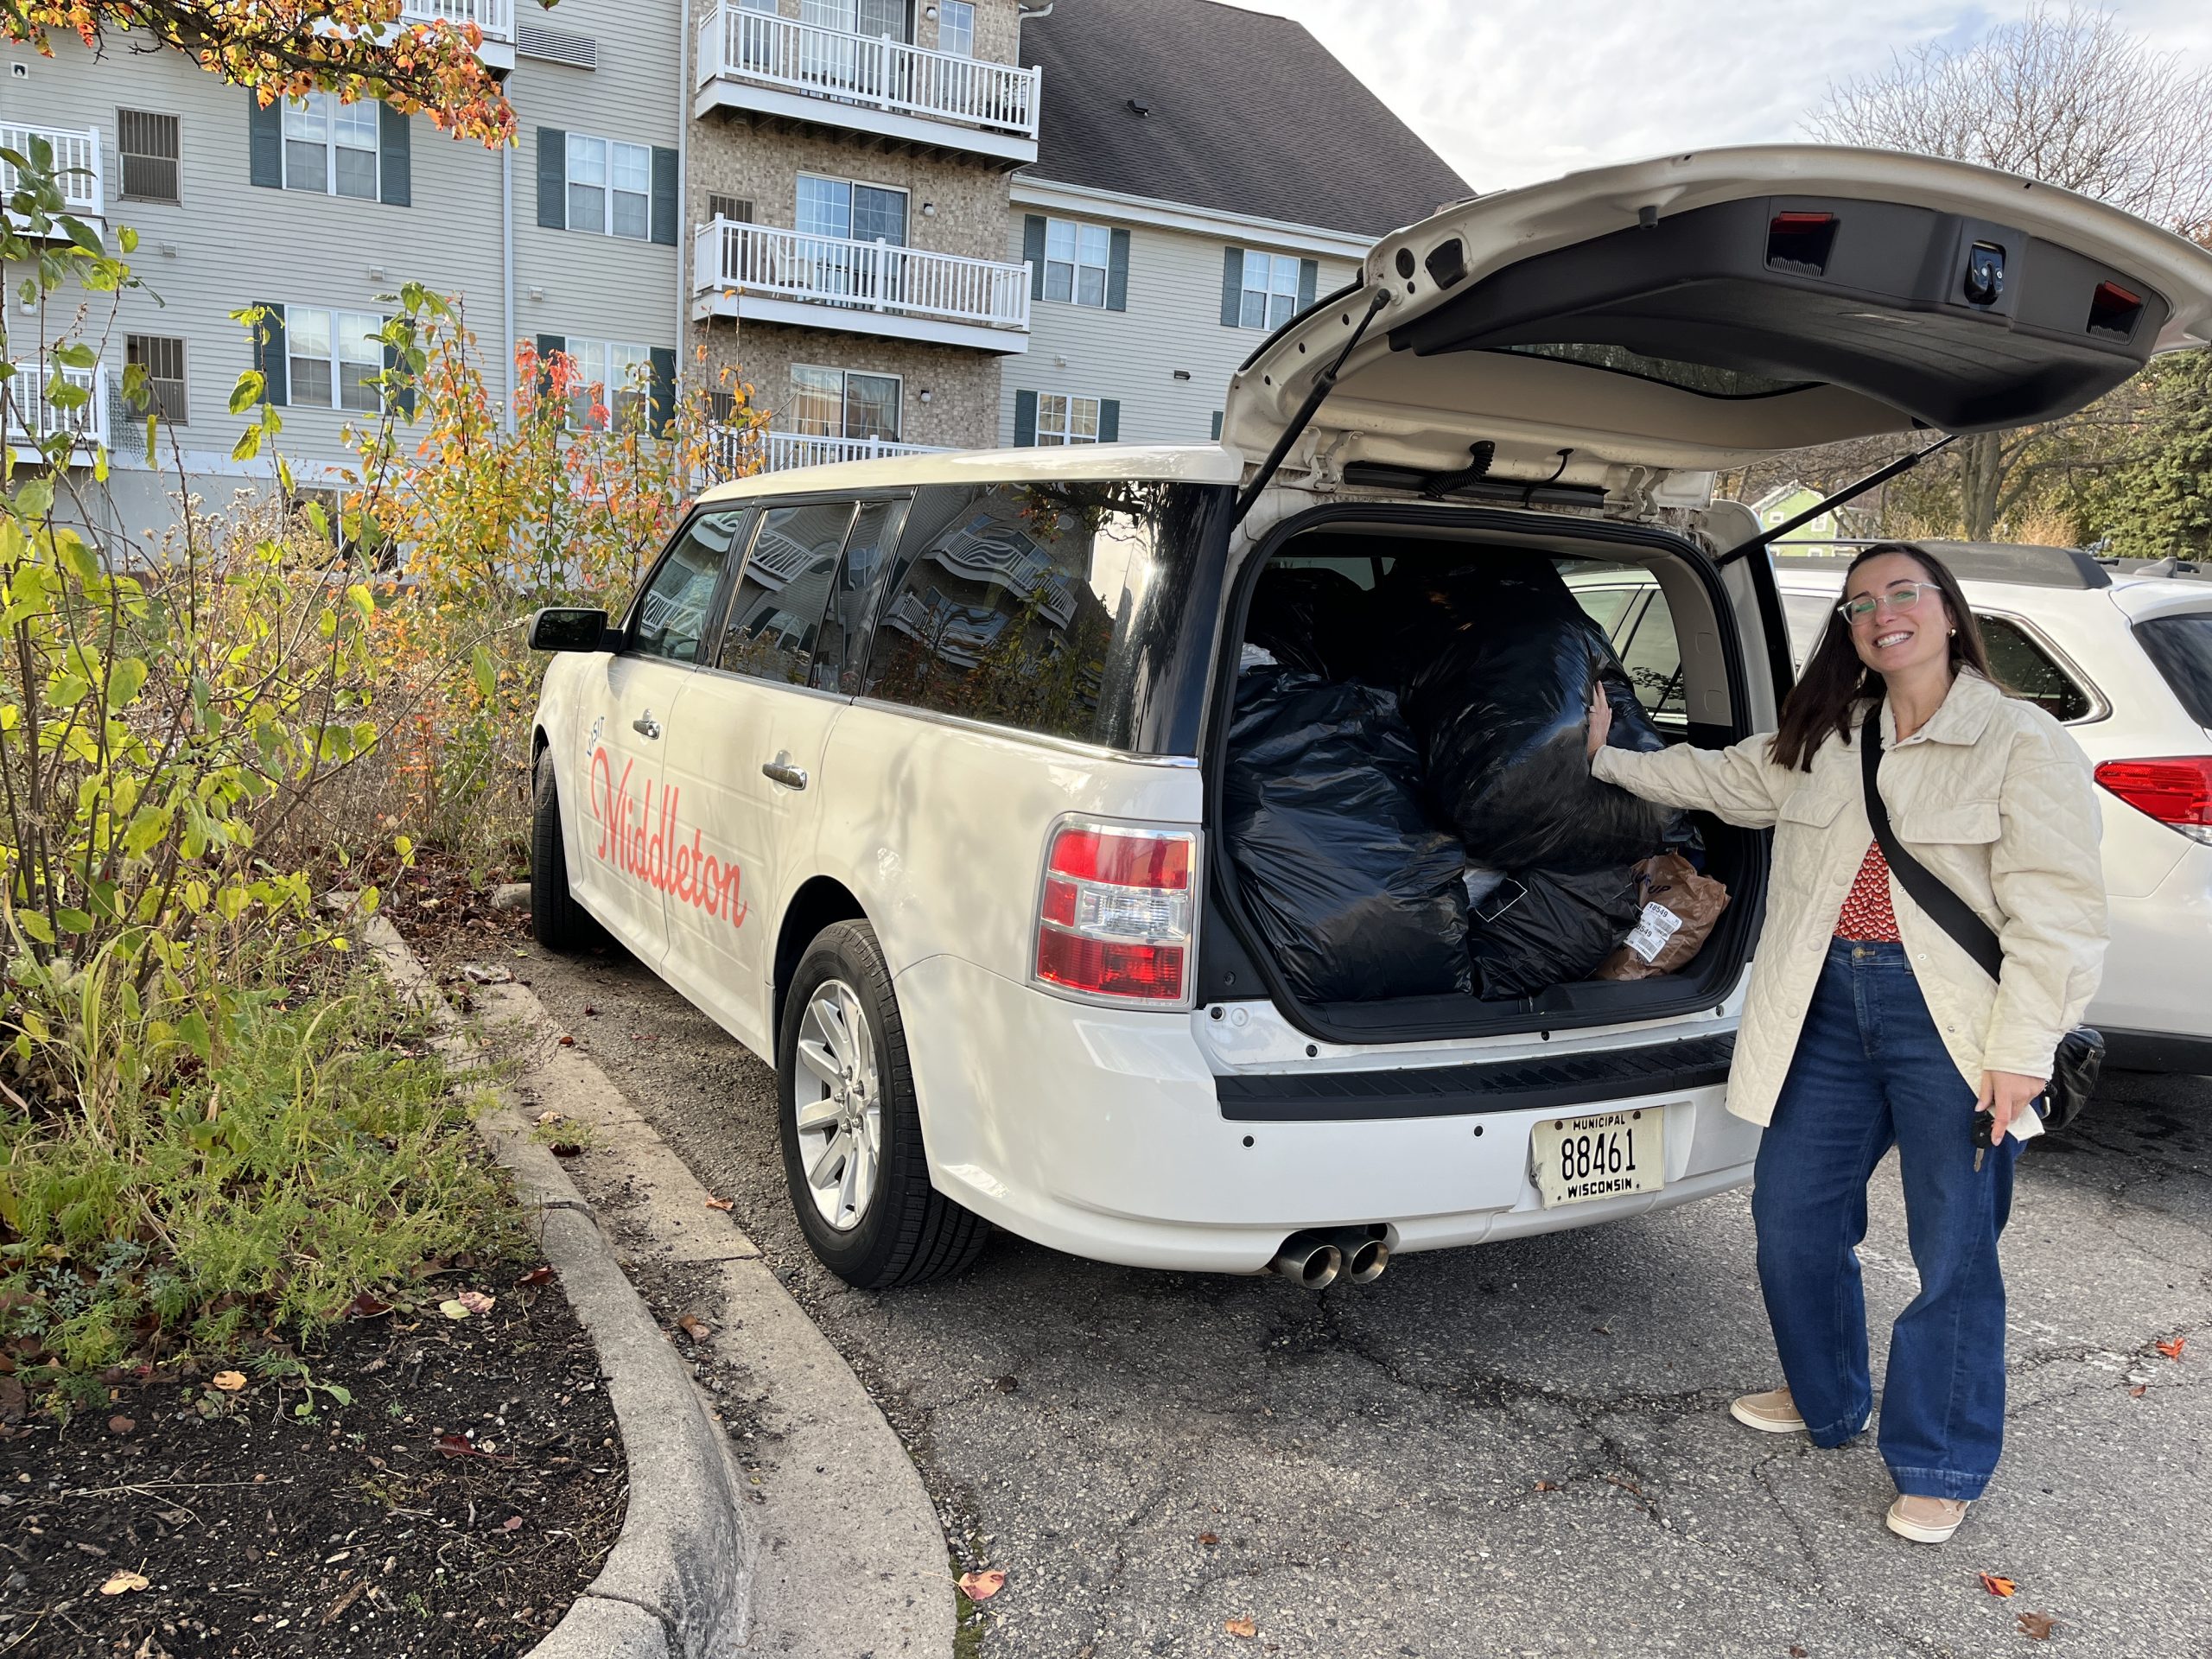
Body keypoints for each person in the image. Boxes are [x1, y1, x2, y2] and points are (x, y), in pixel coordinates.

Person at [1585, 542, 2105, 1544]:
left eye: (1903, 594)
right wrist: (1605, 755)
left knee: (1953, 1252)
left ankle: (1940, 1455)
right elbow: (1724, 778)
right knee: (1792, 1220)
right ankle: (1826, 1398)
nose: (1881, 614)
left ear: (1949, 614)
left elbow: (2060, 913)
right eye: (1862, 603)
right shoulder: (1833, 735)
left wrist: (2022, 1049)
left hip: (1951, 1021)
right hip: (1823, 1002)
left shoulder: (2018, 740)